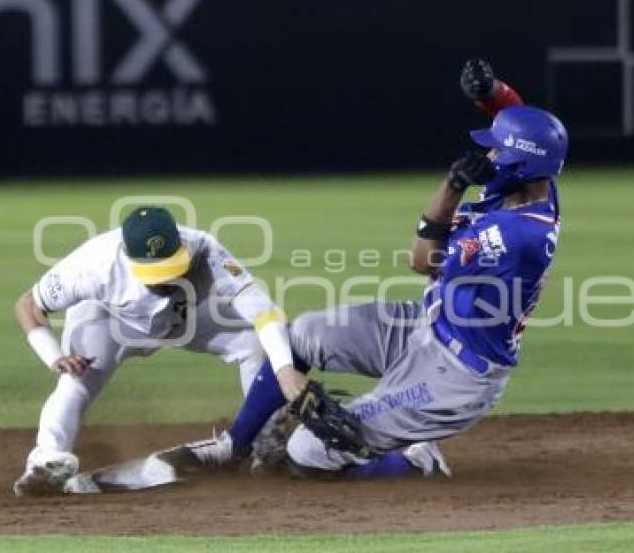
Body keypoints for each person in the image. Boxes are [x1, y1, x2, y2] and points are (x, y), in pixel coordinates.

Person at [173, 60, 567, 478]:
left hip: (455, 374)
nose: (489, 154)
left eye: (497, 150)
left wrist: (452, 185)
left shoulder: (513, 235)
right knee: (300, 336)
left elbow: (420, 258)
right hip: (426, 326)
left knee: (308, 452)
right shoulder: (536, 185)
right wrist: (494, 94)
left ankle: (416, 461)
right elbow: (525, 129)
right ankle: (235, 446)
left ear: (518, 166)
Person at [12, 206, 308, 496]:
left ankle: (268, 439)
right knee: (76, 381)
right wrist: (54, 356)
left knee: (253, 343)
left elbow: (263, 312)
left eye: (171, 267)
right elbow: (28, 305)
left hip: (183, 317)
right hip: (108, 323)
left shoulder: (205, 249)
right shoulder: (93, 265)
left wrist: (283, 369)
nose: (165, 279)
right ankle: (44, 461)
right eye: (154, 271)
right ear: (127, 255)